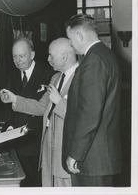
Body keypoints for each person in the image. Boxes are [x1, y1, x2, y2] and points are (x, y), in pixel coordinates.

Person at [1, 38, 78, 187]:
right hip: (47, 145)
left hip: (58, 147)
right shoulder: (56, 77)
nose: (48, 59)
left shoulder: (71, 76)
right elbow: (42, 107)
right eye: (14, 57)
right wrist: (13, 102)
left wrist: (59, 101)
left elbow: (82, 116)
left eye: (51, 55)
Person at [62, 14, 122, 186]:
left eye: (70, 39)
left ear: (80, 36)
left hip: (91, 160)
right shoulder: (106, 55)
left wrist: (75, 154)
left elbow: (89, 113)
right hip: (100, 157)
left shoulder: (93, 60)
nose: (70, 44)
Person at [0, 37, 54, 187]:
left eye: (21, 56)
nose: (17, 60)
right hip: (16, 141)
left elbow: (42, 108)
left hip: (35, 141)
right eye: (14, 56)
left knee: (36, 183)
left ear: (32, 55)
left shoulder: (48, 74)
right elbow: (8, 108)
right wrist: (9, 128)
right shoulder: (12, 75)